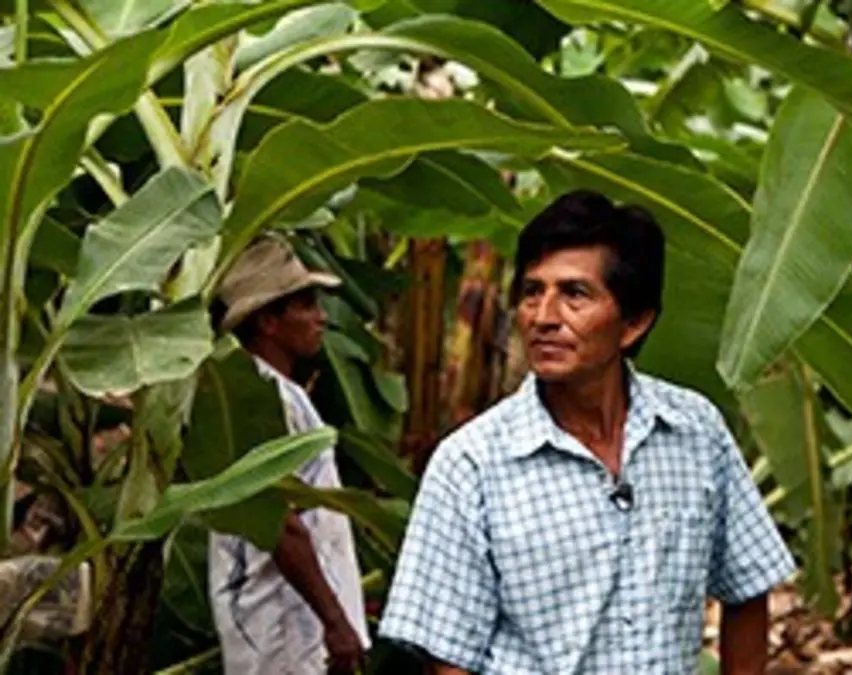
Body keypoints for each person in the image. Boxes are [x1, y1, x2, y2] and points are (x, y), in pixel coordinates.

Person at [380, 190, 795, 673]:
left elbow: (747, 588)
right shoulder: (471, 464)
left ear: (634, 323)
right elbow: (449, 658)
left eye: (574, 294)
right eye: (533, 291)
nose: (544, 317)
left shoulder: (695, 431)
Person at [211, 235, 369, 675]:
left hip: (283, 628)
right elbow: (282, 524)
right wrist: (335, 622)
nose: (321, 317)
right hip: (282, 628)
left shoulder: (274, 391)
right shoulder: (261, 398)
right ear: (268, 321)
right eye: (305, 305)